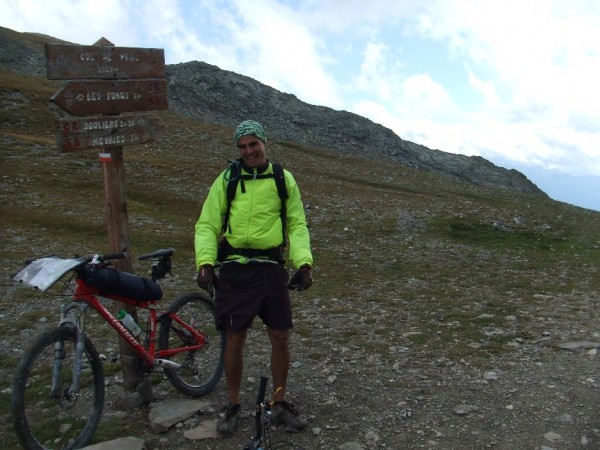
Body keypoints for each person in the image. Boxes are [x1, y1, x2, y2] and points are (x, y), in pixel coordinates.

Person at [194, 119, 314, 435]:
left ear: (264, 143)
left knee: (280, 336)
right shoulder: (228, 178)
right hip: (235, 268)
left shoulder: (282, 179)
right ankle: (233, 406)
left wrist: (303, 263)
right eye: (243, 146)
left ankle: (278, 402)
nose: (249, 151)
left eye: (254, 144)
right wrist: (205, 262)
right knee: (234, 338)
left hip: (271, 268)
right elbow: (207, 223)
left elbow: (296, 225)